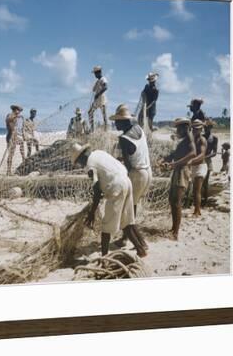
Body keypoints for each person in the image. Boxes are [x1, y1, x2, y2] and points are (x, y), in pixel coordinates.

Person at [70, 143, 148, 257]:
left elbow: (97, 191)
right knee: (126, 221)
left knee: (106, 227)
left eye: (78, 162)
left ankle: (105, 258)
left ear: (81, 158)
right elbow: (108, 173)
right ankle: (141, 249)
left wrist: (92, 213)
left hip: (116, 187)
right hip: (127, 181)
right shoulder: (99, 153)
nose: (80, 165)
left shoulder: (90, 166)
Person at [109, 104, 152, 248]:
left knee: (127, 209)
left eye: (117, 121)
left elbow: (127, 165)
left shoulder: (124, 138)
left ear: (125, 121)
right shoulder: (139, 129)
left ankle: (135, 240)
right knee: (132, 207)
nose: (115, 124)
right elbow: (136, 153)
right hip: (147, 172)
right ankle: (127, 238)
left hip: (136, 175)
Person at [162, 118, 196, 240]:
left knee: (177, 202)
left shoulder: (189, 138)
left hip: (182, 171)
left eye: (179, 128)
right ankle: (173, 228)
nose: (177, 130)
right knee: (172, 200)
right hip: (178, 170)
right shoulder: (184, 140)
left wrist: (175, 164)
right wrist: (165, 159)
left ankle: (175, 232)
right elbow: (175, 154)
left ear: (185, 127)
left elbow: (193, 153)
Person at [188, 119, 207, 216]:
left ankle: (197, 211)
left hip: (200, 166)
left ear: (201, 129)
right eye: (194, 129)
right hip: (194, 166)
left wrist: (191, 161)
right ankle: (197, 210)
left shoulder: (202, 139)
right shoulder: (193, 139)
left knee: (197, 190)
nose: (195, 130)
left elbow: (202, 155)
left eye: (197, 129)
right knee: (195, 190)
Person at [5, 105, 26, 175]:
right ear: (14, 110)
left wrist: (24, 135)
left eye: (19, 110)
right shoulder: (10, 115)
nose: (19, 112)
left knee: (22, 147)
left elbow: (21, 128)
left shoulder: (20, 118)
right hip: (10, 137)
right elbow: (8, 120)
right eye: (18, 110)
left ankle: (24, 162)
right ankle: (8, 171)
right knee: (11, 154)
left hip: (16, 137)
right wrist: (16, 116)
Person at [202, 119, 219, 206]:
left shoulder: (214, 138)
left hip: (207, 160)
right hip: (199, 160)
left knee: (205, 182)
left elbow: (215, 152)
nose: (205, 129)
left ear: (211, 127)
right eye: (204, 127)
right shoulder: (202, 136)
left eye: (207, 127)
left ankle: (204, 200)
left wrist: (205, 157)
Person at [88, 65, 108, 132]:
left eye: (95, 73)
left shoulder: (103, 79)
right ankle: (92, 129)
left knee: (104, 115)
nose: (94, 75)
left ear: (98, 72)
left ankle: (106, 130)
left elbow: (105, 87)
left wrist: (98, 94)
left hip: (102, 100)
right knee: (90, 112)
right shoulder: (98, 81)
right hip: (97, 100)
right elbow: (93, 90)